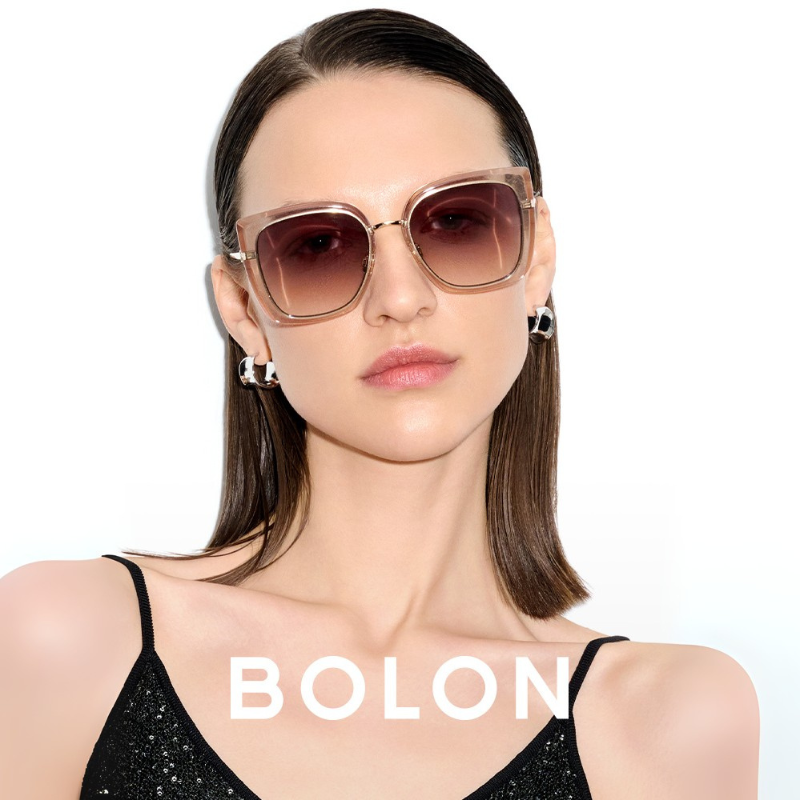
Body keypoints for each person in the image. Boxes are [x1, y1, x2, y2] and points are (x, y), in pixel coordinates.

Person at [0, 8, 759, 799]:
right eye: (317, 246)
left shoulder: (668, 726)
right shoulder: (68, 641)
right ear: (244, 309)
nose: (399, 298)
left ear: (536, 258)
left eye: (457, 222)